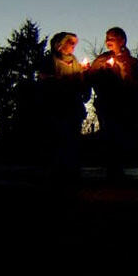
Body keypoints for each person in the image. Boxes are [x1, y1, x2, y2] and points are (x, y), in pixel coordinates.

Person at [88, 27, 138, 179]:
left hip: (125, 105)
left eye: (112, 38)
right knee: (109, 135)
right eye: (106, 38)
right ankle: (111, 168)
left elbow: (136, 84)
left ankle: (118, 168)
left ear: (122, 41)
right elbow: (92, 78)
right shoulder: (102, 60)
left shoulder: (130, 62)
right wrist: (102, 72)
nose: (108, 41)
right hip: (107, 105)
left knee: (122, 136)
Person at [39, 32, 91, 177]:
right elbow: (46, 82)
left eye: (74, 43)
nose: (73, 46)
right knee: (58, 137)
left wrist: (84, 78)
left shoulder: (74, 61)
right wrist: (61, 82)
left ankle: (72, 167)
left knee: (73, 137)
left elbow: (81, 81)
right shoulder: (50, 61)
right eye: (70, 42)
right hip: (57, 105)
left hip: (73, 105)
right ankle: (57, 168)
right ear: (60, 44)